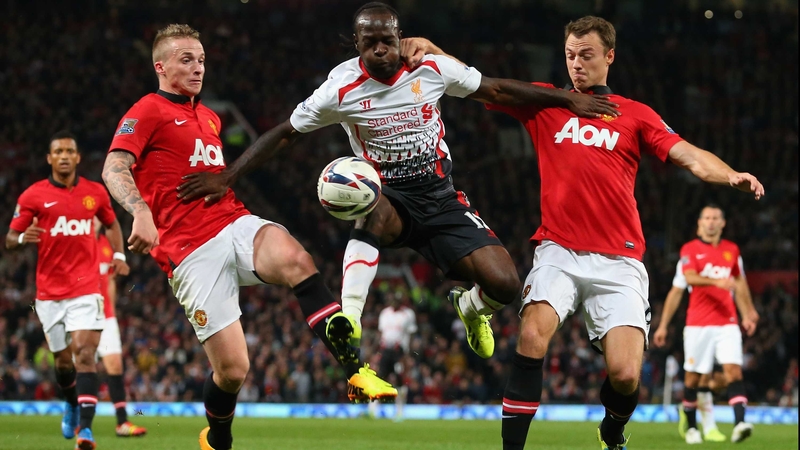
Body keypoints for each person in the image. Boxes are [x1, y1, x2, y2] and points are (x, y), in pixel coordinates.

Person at [174, 2, 619, 395]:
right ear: (357, 43)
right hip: (391, 197)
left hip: (442, 197)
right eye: (371, 43)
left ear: (398, 36)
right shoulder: (341, 88)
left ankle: (470, 306)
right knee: (368, 202)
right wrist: (228, 176)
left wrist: (565, 100)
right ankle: (349, 317)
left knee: (505, 284)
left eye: (388, 40)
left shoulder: (431, 69)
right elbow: (287, 133)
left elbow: (496, 90)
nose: (381, 49)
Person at [401, 15, 764, 450]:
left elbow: (688, 155)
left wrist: (730, 175)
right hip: (559, 249)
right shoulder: (547, 102)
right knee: (533, 333)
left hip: (621, 259)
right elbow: (482, 83)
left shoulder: (636, 114)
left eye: (587, 55)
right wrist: (433, 48)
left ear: (609, 57)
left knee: (627, 375)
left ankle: (612, 428)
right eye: (571, 55)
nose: (576, 63)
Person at [102, 24, 392, 450]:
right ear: (160, 67)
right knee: (234, 371)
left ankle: (355, 371)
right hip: (188, 252)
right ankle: (218, 436)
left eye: (201, 60)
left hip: (233, 222)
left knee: (296, 259)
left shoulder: (210, 117)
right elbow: (114, 167)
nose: (198, 67)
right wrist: (141, 212)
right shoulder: (147, 110)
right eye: (187, 60)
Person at [6, 130, 130, 450]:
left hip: (87, 288)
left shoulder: (95, 193)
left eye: (69, 151)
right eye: (57, 151)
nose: (63, 156)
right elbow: (9, 238)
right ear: (50, 158)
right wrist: (22, 238)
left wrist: (118, 255)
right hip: (49, 293)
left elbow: (112, 223)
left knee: (85, 354)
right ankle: (72, 403)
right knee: (63, 363)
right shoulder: (33, 195)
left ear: (77, 157)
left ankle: (85, 432)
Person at [653, 205, 758, 443]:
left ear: (723, 223)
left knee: (733, 370)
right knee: (693, 379)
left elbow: (739, 284)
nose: (711, 222)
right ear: (700, 223)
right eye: (707, 218)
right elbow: (686, 281)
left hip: (727, 322)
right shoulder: (689, 250)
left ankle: (740, 423)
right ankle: (691, 426)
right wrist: (663, 325)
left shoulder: (732, 250)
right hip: (698, 324)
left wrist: (748, 313)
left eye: (715, 218)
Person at [93, 217, 147, 438]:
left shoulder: (107, 244)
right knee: (80, 368)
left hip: (105, 316)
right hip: (79, 315)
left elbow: (111, 282)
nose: (97, 221)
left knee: (115, 365)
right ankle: (78, 419)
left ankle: (122, 422)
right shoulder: (77, 244)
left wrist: (111, 312)